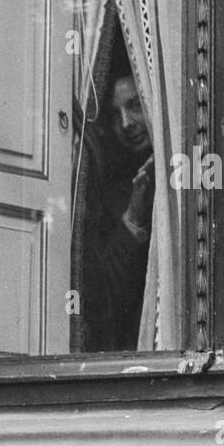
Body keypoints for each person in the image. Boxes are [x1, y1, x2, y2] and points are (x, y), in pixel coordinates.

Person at [79, 74, 154, 351]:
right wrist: (133, 216)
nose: (125, 123)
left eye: (135, 105)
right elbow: (107, 295)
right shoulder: (109, 198)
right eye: (115, 114)